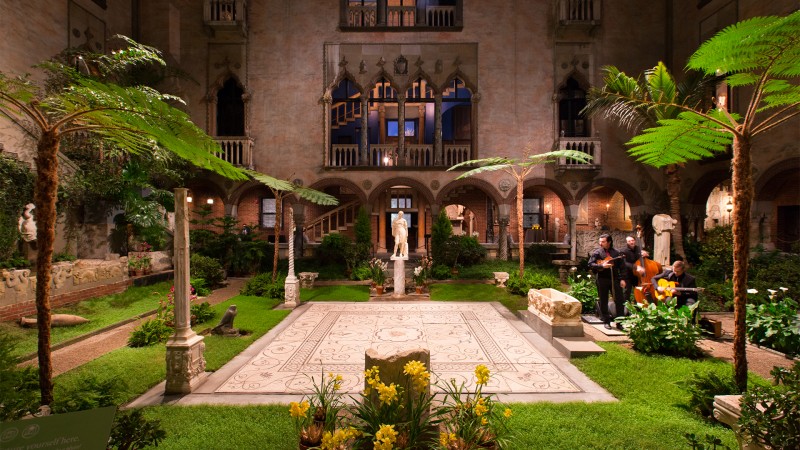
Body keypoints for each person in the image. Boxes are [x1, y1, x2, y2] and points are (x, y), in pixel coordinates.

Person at [588, 234, 627, 329]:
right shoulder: (597, 253)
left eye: (603, 241)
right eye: (600, 241)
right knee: (603, 300)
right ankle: (606, 321)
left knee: (619, 300)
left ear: (609, 242)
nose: (600, 243)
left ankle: (620, 322)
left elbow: (622, 267)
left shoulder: (617, 253)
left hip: (615, 278)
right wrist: (601, 266)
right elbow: (590, 264)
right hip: (602, 279)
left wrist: (622, 279)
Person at [620, 236, 649, 303]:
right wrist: (636, 267)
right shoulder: (623, 251)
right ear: (627, 242)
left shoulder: (639, 249)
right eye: (629, 241)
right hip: (628, 275)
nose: (631, 242)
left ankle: (638, 306)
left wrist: (646, 254)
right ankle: (626, 309)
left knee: (639, 291)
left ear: (635, 241)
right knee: (627, 292)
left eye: (632, 240)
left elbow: (645, 255)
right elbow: (624, 263)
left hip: (638, 275)